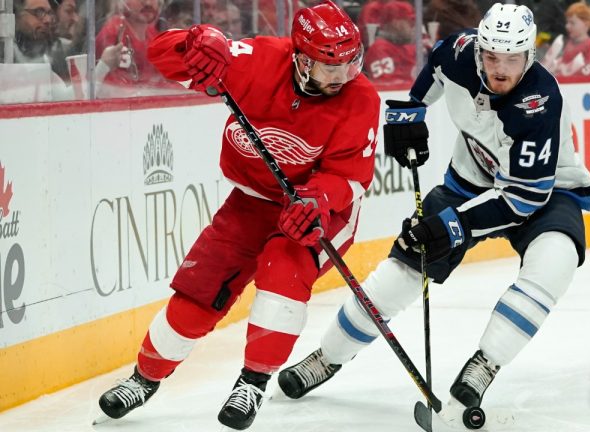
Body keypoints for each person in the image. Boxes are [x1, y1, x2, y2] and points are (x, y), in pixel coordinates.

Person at [278, 2, 590, 416]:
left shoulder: (539, 101)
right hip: (468, 184)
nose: (500, 68)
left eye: (512, 59)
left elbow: (523, 199)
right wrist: (411, 110)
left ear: (529, 56)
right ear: (479, 49)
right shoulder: (460, 53)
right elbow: (437, 66)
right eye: (492, 56)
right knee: (405, 264)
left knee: (555, 261)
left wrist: (454, 226)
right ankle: (328, 356)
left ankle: (485, 363)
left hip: (548, 195)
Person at [95, 1, 380, 430]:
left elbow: (351, 175)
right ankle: (145, 376)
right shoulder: (258, 61)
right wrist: (195, 41)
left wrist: (318, 199)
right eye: (329, 67)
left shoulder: (361, 100)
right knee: (201, 287)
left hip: (319, 212)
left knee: (281, 273)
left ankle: (253, 381)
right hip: (250, 201)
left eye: (349, 64)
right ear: (301, 60)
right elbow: (162, 56)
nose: (342, 77)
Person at [541, 2, 590, 76]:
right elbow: (565, 60)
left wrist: (568, 71)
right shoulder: (570, 43)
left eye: (572, 23)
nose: (567, 26)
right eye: (567, 22)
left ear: (586, 24)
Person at [364, 0, 418, 85]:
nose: (413, 26)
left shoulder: (408, 47)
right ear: (396, 23)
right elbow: (386, 83)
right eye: (410, 22)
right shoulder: (379, 49)